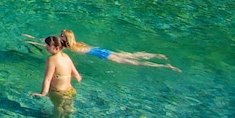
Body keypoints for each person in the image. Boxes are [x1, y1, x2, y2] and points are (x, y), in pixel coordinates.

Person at [24, 31, 180, 71]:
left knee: (129, 62)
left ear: (64, 40)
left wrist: (31, 41)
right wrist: (32, 38)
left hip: (98, 54)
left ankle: (163, 66)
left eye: (61, 36)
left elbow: (49, 44)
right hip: (100, 50)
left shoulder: (67, 47)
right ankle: (157, 56)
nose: (59, 36)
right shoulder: (77, 44)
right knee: (129, 55)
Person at [30, 35, 81, 118]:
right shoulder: (66, 56)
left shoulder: (51, 59)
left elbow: (47, 79)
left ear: (56, 47)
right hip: (70, 91)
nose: (46, 47)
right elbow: (76, 76)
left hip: (58, 92)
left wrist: (43, 93)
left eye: (48, 45)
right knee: (68, 108)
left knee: (58, 108)